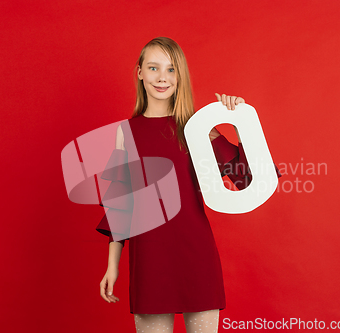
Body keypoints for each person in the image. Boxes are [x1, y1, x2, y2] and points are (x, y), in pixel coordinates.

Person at [96, 37, 281, 333]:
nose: (162, 77)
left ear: (180, 75)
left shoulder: (197, 129)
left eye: (171, 69)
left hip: (197, 256)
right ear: (139, 72)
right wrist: (112, 266)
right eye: (153, 67)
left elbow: (247, 179)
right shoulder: (125, 132)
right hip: (149, 260)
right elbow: (120, 207)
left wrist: (238, 123)